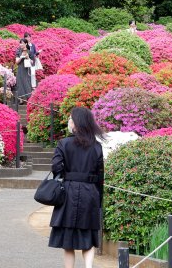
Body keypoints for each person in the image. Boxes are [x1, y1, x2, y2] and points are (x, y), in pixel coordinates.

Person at [49, 107, 104, 268]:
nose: (69, 121)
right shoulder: (97, 146)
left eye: (71, 119)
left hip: (68, 193)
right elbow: (100, 176)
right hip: (90, 193)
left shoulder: (64, 143)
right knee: (88, 237)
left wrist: (64, 178)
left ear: (77, 123)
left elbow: (56, 167)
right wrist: (98, 199)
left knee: (68, 242)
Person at [15, 38, 33, 104]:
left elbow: (32, 62)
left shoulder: (30, 52)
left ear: (25, 43)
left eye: (22, 43)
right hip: (20, 69)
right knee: (20, 83)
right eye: (20, 43)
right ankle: (20, 99)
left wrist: (28, 57)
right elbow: (16, 62)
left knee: (27, 83)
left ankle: (29, 98)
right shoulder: (18, 51)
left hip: (27, 70)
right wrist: (21, 57)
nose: (21, 44)